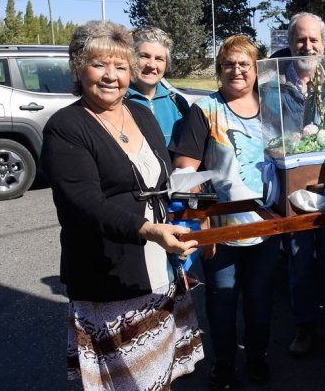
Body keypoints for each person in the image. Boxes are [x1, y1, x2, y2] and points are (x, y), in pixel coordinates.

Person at [40, 20, 203, 390]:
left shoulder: (141, 113)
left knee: (162, 372)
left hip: (159, 268)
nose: (111, 76)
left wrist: (197, 210)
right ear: (79, 67)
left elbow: (162, 184)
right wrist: (149, 230)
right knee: (128, 381)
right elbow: (84, 203)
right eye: (100, 64)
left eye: (120, 66)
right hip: (109, 275)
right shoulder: (66, 127)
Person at [170, 35, 281, 388]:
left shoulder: (273, 108)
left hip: (269, 227)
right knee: (221, 300)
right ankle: (223, 363)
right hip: (221, 231)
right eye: (229, 64)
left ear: (255, 69)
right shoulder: (205, 111)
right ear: (219, 70)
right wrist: (203, 228)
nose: (237, 71)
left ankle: (257, 358)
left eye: (244, 64)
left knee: (261, 301)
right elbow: (186, 174)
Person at [269, 12, 325, 356]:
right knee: (299, 264)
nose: (307, 46)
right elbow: (270, 136)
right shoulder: (272, 84)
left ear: (324, 44)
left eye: (313, 40)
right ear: (290, 43)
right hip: (296, 190)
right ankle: (303, 328)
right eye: (300, 39)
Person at [125, 27, 189, 147]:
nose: (152, 65)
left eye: (159, 59)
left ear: (166, 64)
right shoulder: (117, 102)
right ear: (131, 59)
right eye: (144, 56)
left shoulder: (178, 103)